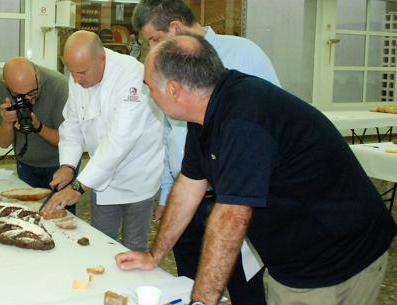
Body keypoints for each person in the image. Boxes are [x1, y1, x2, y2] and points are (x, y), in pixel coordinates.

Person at [116, 34, 396, 305]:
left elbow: (230, 219)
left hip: (335, 256)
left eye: (150, 87)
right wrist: (155, 256)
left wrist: (201, 301)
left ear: (175, 89)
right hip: (299, 249)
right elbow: (190, 183)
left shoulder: (242, 120)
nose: (149, 95)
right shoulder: (205, 108)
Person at [133, 0, 278, 304]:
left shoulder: (244, 54)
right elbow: (171, 138)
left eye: (155, 39)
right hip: (190, 192)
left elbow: (271, 125)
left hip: (235, 195)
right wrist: (166, 195)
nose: (153, 50)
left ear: (175, 27)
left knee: (243, 285)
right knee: (188, 279)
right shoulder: (173, 77)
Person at [42, 30, 163, 252]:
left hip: (137, 174)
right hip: (100, 174)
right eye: (72, 72)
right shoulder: (79, 71)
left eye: (82, 73)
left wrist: (78, 186)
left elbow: (119, 141)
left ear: (101, 58)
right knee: (100, 240)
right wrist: (67, 166)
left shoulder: (132, 75)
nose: (76, 79)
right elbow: (72, 121)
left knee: (133, 245)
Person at [0, 58, 72, 205]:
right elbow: (3, 143)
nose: (28, 99)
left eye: (33, 92)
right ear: (6, 84)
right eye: (20, 96)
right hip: (25, 164)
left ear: (37, 75)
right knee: (28, 213)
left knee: (61, 216)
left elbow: (68, 141)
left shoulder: (59, 86)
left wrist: (38, 127)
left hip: (60, 166)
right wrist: (7, 122)